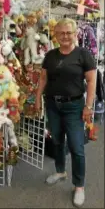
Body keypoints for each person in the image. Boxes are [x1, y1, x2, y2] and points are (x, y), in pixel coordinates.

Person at [35, 18, 96, 207]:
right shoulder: (50, 55)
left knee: (77, 147)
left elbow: (92, 82)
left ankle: (79, 186)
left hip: (74, 107)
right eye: (61, 32)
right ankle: (60, 171)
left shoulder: (83, 54)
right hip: (53, 105)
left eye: (69, 32)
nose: (65, 36)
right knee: (57, 141)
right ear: (55, 35)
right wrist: (38, 98)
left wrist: (88, 106)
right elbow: (43, 78)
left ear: (75, 33)